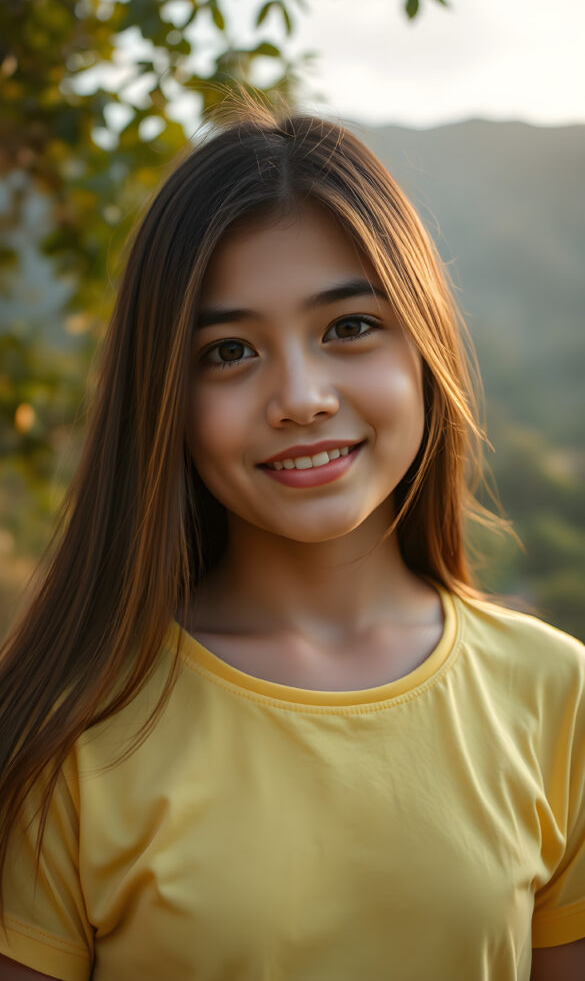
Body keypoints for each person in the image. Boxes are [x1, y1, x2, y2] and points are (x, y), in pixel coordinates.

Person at [0, 101, 584, 981]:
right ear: (164, 395)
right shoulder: (69, 729)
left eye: (348, 328)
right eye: (229, 351)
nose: (300, 396)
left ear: (422, 349)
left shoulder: (557, 698)